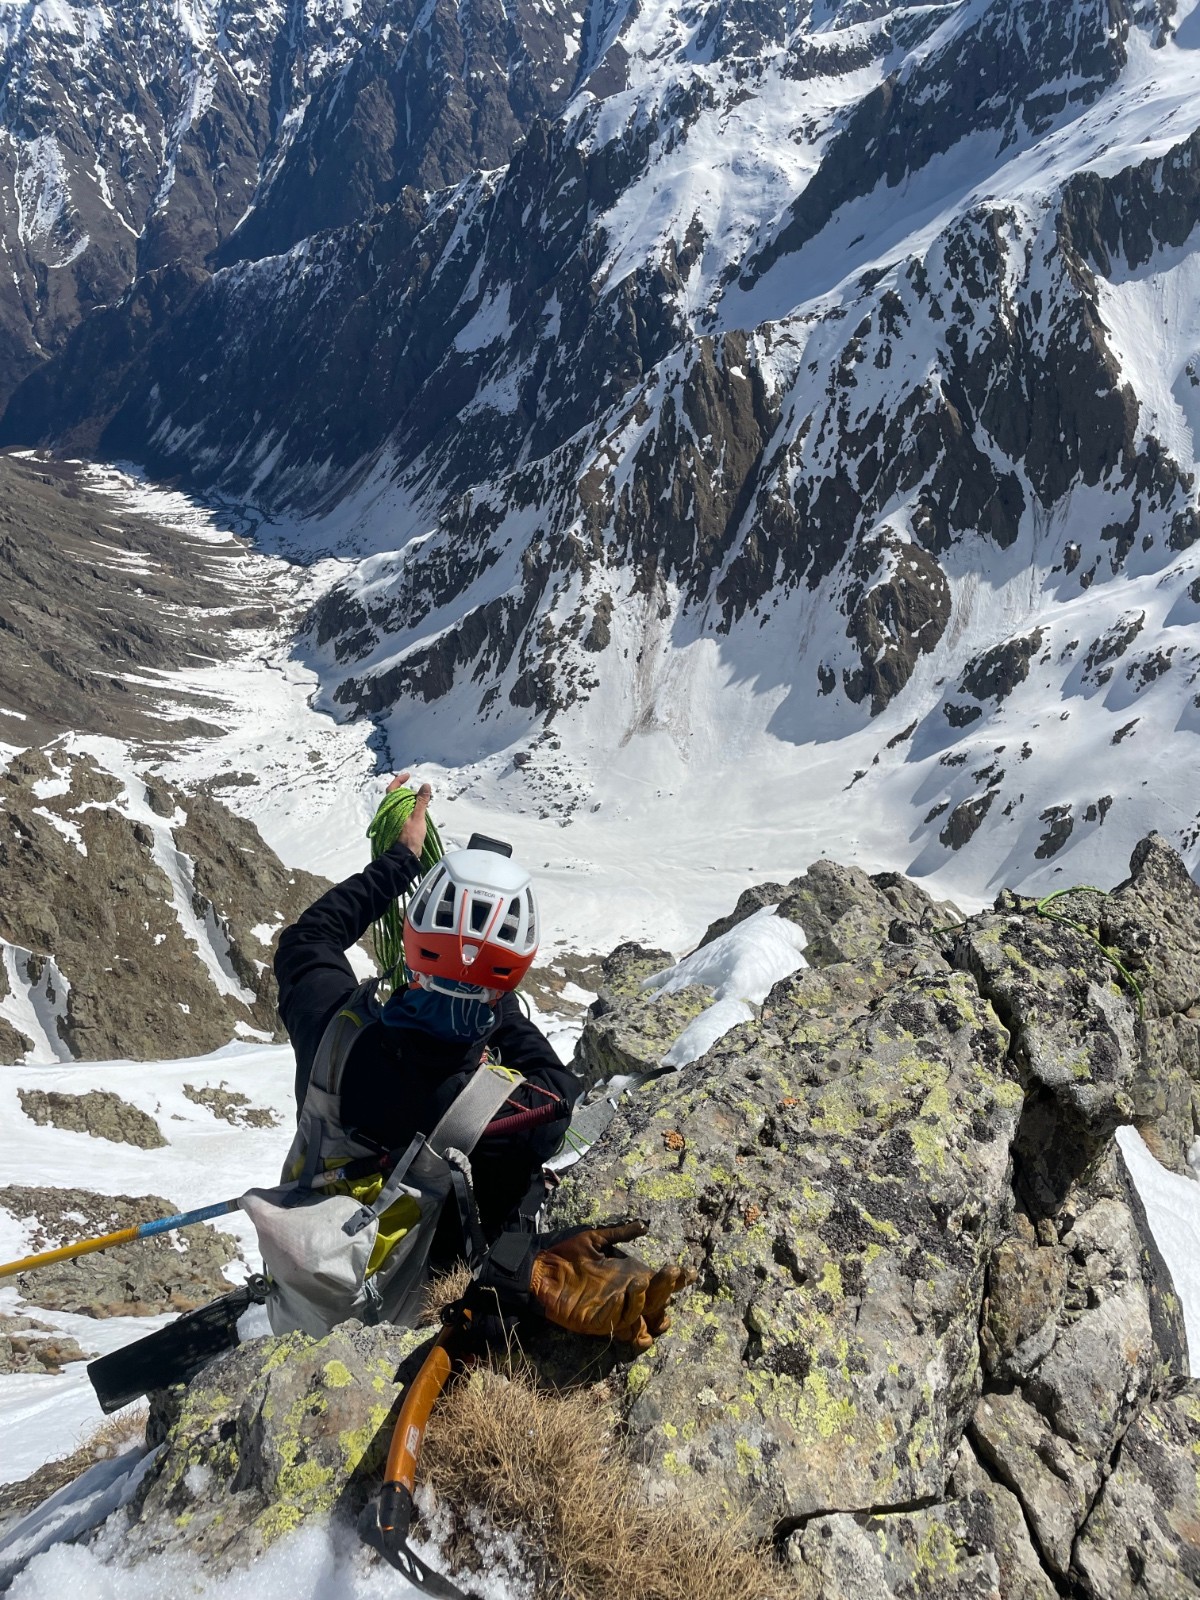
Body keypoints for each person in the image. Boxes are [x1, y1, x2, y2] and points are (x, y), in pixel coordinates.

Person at [273, 773, 581, 1253]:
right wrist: (491, 995)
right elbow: (556, 1086)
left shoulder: (331, 1036)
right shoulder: (516, 1114)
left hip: (316, 1259)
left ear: (408, 936)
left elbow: (308, 939)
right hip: (423, 1302)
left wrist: (400, 861)